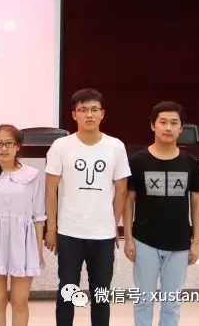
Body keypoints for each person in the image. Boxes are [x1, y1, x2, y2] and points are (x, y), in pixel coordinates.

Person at [45, 88, 131, 326]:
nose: (89, 115)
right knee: (67, 291)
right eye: (83, 110)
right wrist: (51, 228)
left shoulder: (115, 146)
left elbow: (121, 190)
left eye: (94, 110)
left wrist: (113, 225)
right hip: (69, 232)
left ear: (103, 113)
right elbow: (50, 190)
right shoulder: (60, 146)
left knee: (101, 294)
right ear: (74, 115)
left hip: (102, 234)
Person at [123, 101, 199, 326]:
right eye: (163, 122)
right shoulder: (137, 161)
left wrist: (196, 242)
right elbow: (128, 201)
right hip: (144, 241)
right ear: (153, 125)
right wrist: (128, 238)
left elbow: (197, 203)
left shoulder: (191, 162)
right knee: (143, 300)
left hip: (179, 243)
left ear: (181, 128)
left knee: (172, 302)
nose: (168, 128)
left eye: (174, 123)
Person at [0, 124, 45, 326]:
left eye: (9, 143)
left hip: (24, 244)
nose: (3, 148)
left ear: (18, 146)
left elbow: (39, 217)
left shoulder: (32, 175)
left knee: (19, 301)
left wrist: (38, 251)